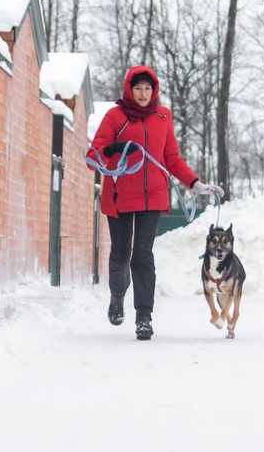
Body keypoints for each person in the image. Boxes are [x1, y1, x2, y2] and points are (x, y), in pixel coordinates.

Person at [88, 65, 223, 341]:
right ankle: (117, 296)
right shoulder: (116, 116)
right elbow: (95, 154)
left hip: (153, 196)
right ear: (129, 88)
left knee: (143, 254)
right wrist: (113, 149)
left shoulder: (163, 116)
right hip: (120, 195)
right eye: (137, 88)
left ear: (154, 90)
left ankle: (144, 317)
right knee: (121, 253)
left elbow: (172, 158)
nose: (142, 93)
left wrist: (196, 183)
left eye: (147, 88)